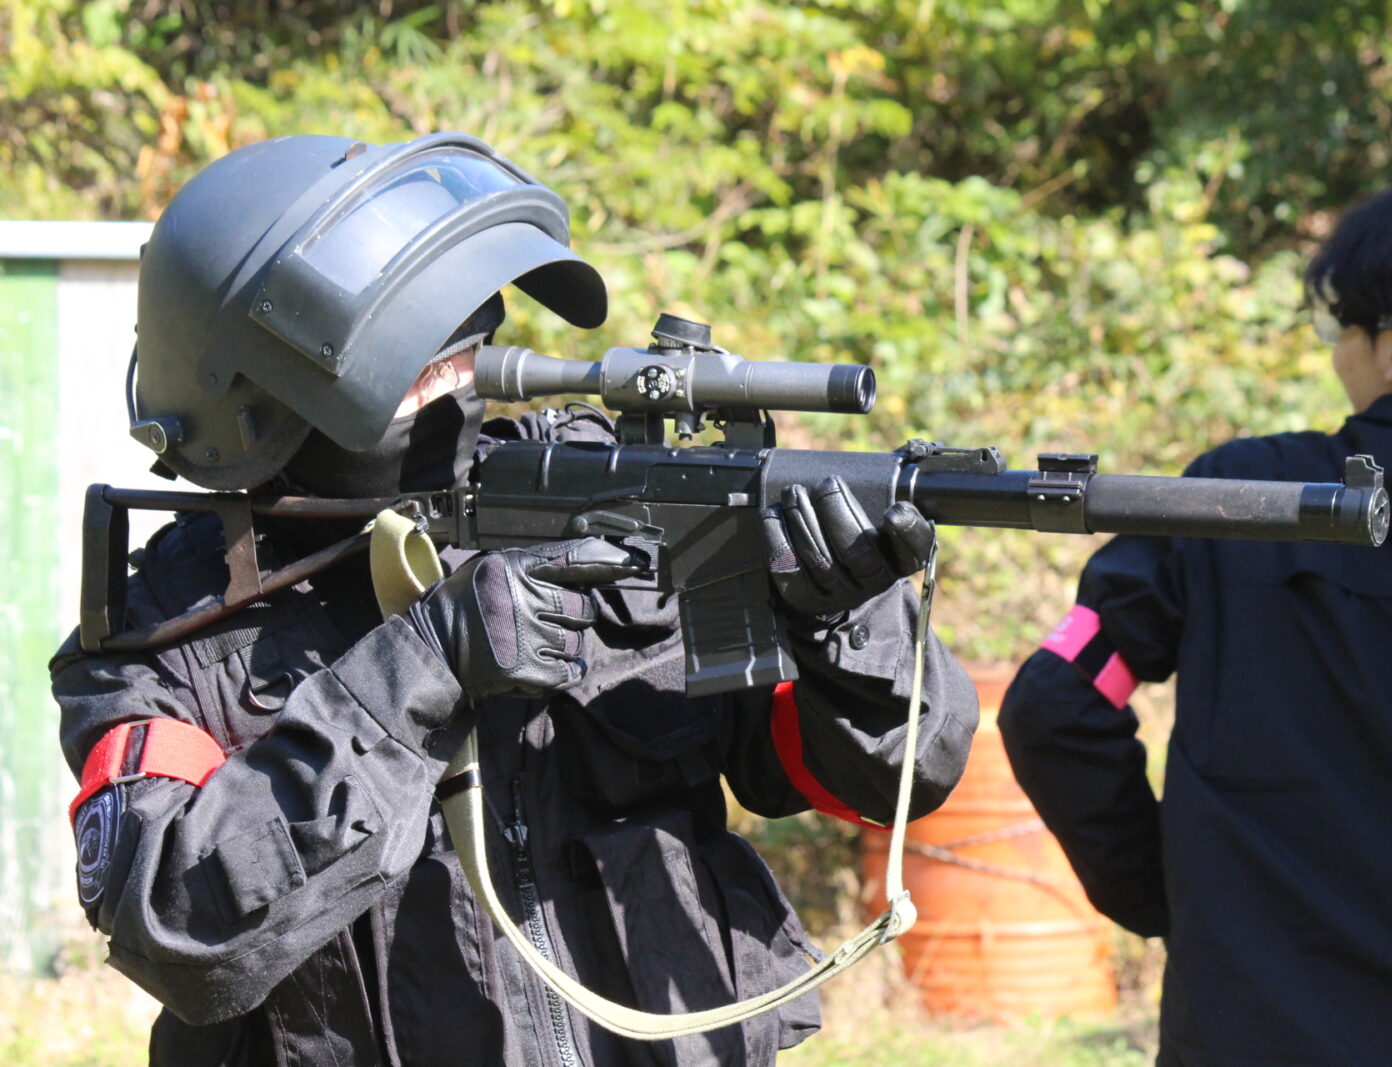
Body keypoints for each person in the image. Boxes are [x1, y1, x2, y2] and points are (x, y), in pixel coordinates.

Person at [52, 132, 978, 1067]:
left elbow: (892, 777)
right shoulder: (166, 631)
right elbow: (174, 930)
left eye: (466, 341)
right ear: (262, 400)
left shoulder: (597, 499)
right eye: (420, 362)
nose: (463, 370)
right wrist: (423, 666)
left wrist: (843, 624)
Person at [999, 180, 1392, 1066]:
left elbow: (1059, 699)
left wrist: (1177, 897)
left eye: (1337, 326)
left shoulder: (1247, 500)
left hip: (1258, 1026)